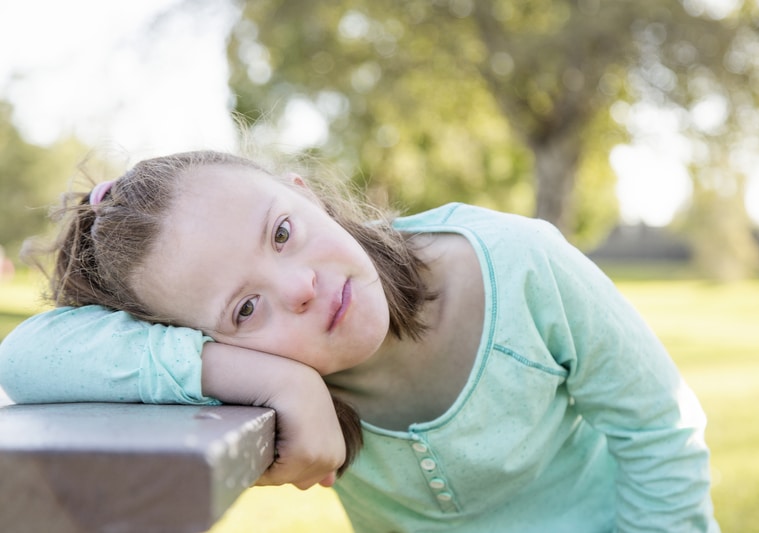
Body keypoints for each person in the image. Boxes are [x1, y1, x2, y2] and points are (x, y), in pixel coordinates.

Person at [0, 150, 719, 531]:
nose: (301, 286)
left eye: (282, 232)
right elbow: (26, 355)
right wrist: (276, 381)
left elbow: (660, 426)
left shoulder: (522, 265)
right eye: (247, 308)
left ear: (305, 192)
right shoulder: (287, 369)